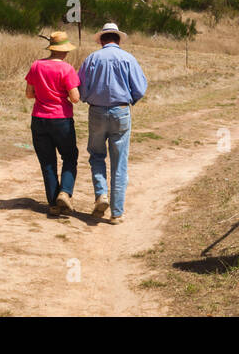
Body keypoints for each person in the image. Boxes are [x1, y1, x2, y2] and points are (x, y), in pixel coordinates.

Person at [78, 22, 148, 224]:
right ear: (118, 39)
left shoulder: (92, 58)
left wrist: (88, 98)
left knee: (97, 155)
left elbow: (80, 86)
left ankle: (101, 195)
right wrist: (130, 100)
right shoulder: (128, 59)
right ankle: (117, 212)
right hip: (121, 111)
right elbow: (140, 88)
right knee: (119, 163)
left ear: (101, 40)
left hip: (97, 112)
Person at [24, 31, 81, 218]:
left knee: (47, 162)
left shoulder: (36, 66)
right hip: (61, 118)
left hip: (39, 118)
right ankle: (64, 192)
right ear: (64, 51)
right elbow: (75, 98)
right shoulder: (67, 69)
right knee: (70, 156)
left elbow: (29, 94)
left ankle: (53, 204)